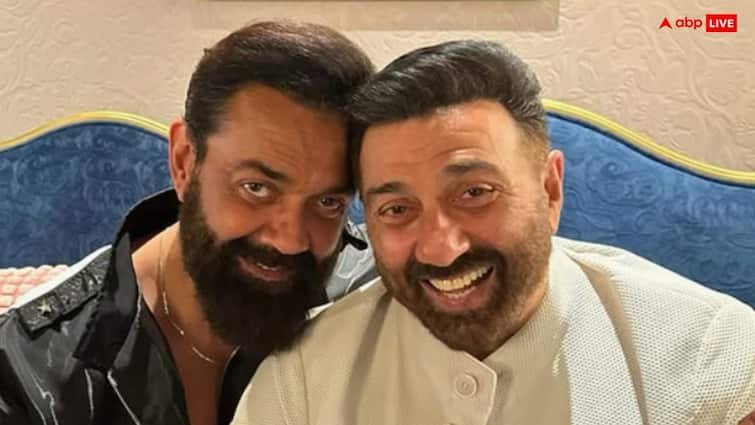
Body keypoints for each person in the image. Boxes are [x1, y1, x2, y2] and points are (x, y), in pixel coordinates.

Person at [231, 40, 755, 425]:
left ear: (549, 190)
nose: (441, 248)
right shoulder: (304, 375)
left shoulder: (714, 357)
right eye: (396, 209)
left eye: (475, 193)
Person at [0, 20, 374, 425]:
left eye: (328, 202)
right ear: (184, 162)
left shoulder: (379, 298)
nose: (290, 239)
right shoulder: (28, 370)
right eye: (256, 188)